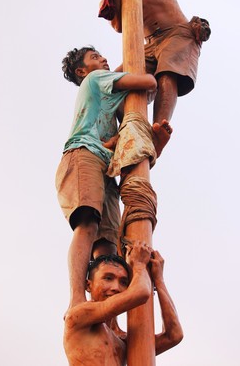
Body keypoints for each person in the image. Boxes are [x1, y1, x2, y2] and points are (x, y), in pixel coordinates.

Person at [55, 46, 171, 307]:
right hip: (82, 154)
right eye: (95, 57)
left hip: (105, 167)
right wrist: (140, 67)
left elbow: (119, 148)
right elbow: (148, 81)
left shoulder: (107, 98)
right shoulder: (94, 79)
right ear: (81, 71)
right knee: (88, 225)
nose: (104, 59)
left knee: (108, 248)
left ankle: (109, 317)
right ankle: (76, 298)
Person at [76, 0, 211, 125]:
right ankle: (130, 130)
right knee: (113, 84)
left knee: (167, 73)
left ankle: (159, 127)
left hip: (175, 33)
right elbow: (118, 26)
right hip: (150, 44)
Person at [64, 240, 183, 366]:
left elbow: (174, 335)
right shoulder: (78, 315)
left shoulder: (122, 341)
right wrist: (138, 264)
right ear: (88, 285)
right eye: (108, 278)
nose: (116, 287)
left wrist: (159, 280)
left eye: (124, 282)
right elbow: (141, 292)